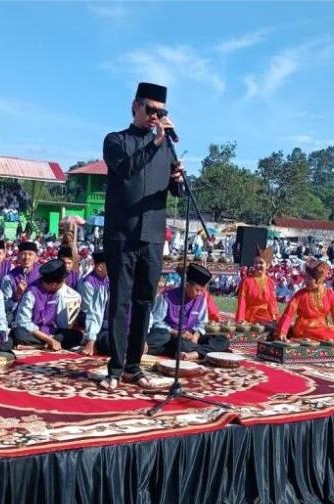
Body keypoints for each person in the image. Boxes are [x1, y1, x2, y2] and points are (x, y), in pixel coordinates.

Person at [100, 82, 184, 391]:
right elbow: (126, 170)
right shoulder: (116, 140)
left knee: (144, 301)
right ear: (134, 106)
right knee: (121, 300)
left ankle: (134, 366)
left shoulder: (166, 147)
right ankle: (115, 368)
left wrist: (178, 178)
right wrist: (153, 143)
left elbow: (176, 191)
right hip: (122, 234)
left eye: (161, 112)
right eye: (150, 110)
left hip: (152, 235)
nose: (155, 116)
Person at [146, 263, 230, 361]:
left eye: (201, 291)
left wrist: (195, 336)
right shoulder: (166, 297)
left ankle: (195, 354)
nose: (199, 294)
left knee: (223, 339)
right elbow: (156, 322)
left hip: (189, 338)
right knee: (167, 338)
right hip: (171, 335)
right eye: (197, 290)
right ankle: (205, 351)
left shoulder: (201, 299)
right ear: (187, 285)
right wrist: (176, 332)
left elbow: (201, 323)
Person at [10, 259, 83, 349]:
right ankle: (45, 344)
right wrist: (49, 339)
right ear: (53, 284)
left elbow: (62, 324)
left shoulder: (59, 292)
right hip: (35, 333)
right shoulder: (31, 293)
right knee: (17, 333)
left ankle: (39, 346)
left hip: (52, 332)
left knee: (77, 335)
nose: (64, 284)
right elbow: (23, 322)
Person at [275, 259, 334, 342]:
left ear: (318, 280)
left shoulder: (331, 294)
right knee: (325, 336)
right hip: (304, 326)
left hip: (322, 326)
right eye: (305, 277)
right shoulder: (300, 294)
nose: (305, 281)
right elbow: (288, 314)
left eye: (309, 278)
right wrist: (282, 332)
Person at [235, 247, 279, 324]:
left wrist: (274, 317)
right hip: (251, 315)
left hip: (266, 315)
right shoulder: (246, 281)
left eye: (261, 263)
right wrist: (240, 319)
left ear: (267, 265)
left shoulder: (270, 282)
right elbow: (242, 302)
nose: (258, 265)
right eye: (255, 263)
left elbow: (272, 302)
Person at [77, 250, 109, 356]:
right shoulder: (88, 283)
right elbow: (90, 309)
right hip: (89, 316)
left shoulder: (108, 279)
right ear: (100, 267)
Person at [0, 241, 40, 316]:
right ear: (18, 258)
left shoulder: (42, 275)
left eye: (30, 254)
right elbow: (4, 308)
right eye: (23, 254)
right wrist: (17, 295)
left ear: (36, 258)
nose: (26, 258)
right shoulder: (9, 278)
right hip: (16, 321)